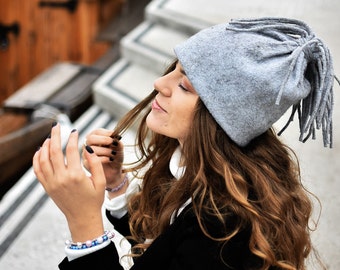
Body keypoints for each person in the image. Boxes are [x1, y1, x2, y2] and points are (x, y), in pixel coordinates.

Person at [33, 17, 338, 269]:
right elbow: (162, 247)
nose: (159, 84)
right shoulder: (194, 169)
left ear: (220, 119)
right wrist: (116, 185)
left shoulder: (225, 231)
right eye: (174, 71)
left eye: (184, 85)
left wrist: (84, 223)